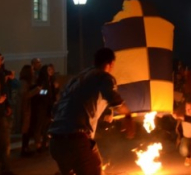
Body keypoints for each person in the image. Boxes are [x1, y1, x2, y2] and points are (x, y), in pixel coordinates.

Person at [48, 47, 134, 175]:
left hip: (55, 141)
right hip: (76, 140)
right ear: (110, 64)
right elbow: (114, 99)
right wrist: (128, 117)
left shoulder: (76, 78)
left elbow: (60, 107)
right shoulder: (104, 77)